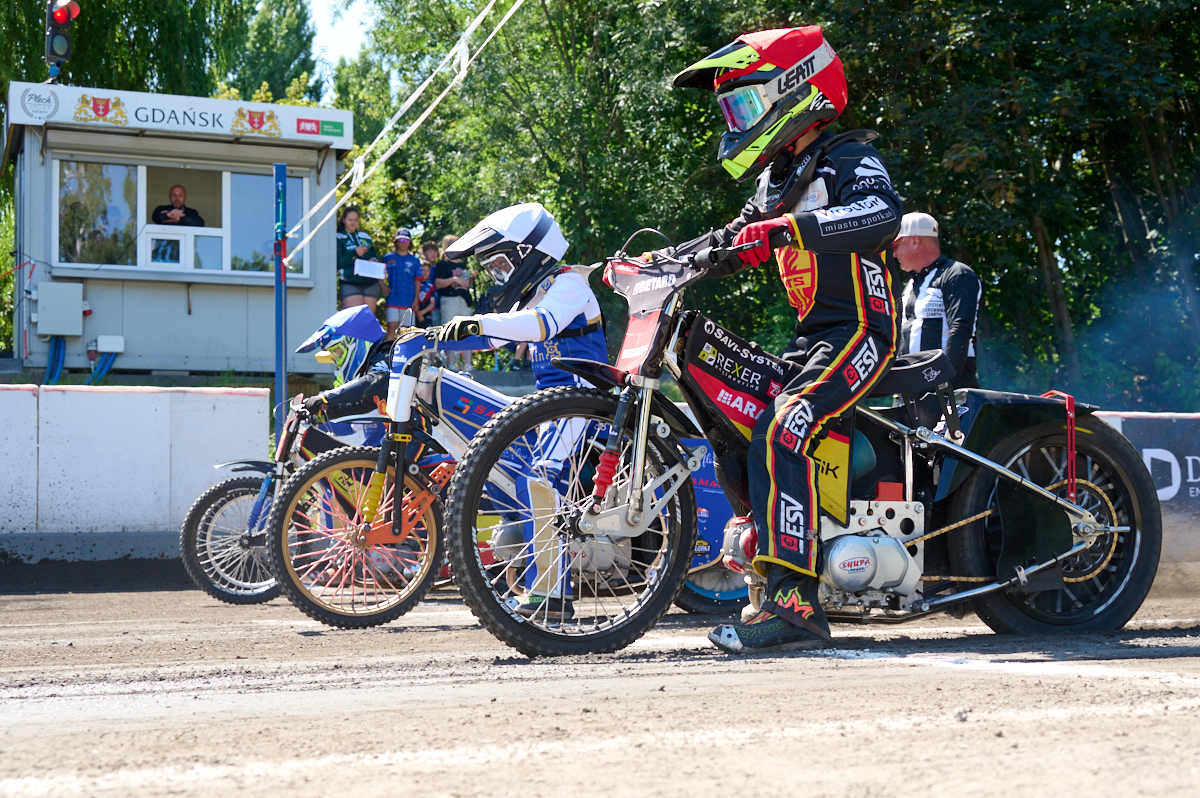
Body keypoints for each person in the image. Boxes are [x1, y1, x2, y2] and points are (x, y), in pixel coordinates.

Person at [672, 26, 903, 654]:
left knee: (785, 427)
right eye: (732, 110)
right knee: (737, 422)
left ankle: (797, 608)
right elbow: (733, 243)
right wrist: (668, 262)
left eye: (744, 104)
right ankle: (766, 579)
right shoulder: (780, 177)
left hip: (861, 331)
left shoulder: (848, 157)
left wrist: (785, 232)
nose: (737, 120)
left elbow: (883, 214)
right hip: (812, 341)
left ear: (795, 89)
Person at [436, 202, 608, 620]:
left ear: (528, 254)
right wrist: (429, 337)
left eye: (499, 265)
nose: (498, 276)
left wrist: (479, 324)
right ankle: (541, 585)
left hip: (581, 397)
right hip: (549, 405)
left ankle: (551, 595)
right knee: (521, 478)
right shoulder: (536, 292)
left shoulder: (568, 285)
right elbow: (491, 338)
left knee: (542, 479)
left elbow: (541, 324)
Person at [894, 212, 981, 388]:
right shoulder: (911, 285)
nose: (893, 253)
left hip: (948, 387)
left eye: (896, 245)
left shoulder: (957, 274)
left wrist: (943, 383)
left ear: (914, 241)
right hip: (913, 387)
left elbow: (960, 330)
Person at [433, 234, 474, 369]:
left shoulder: (463, 264)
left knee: (468, 331)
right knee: (450, 331)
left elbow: (467, 283)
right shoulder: (442, 264)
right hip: (449, 301)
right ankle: (451, 364)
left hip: (465, 300)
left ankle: (468, 364)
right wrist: (454, 280)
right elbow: (438, 283)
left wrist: (472, 277)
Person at [336, 207, 384, 310]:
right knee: (356, 320)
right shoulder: (338, 237)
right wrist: (354, 253)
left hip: (370, 282)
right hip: (350, 282)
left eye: (355, 220)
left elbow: (373, 255)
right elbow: (337, 263)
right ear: (344, 220)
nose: (353, 223)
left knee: (368, 320)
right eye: (350, 220)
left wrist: (373, 261)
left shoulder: (365, 236)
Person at [383, 228, 423, 335]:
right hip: (392, 298)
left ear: (410, 242)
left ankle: (405, 352)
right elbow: (378, 273)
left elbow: (418, 281)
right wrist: (382, 285)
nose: (403, 243)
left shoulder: (415, 260)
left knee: (407, 331)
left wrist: (416, 300)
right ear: (396, 242)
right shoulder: (388, 257)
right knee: (392, 326)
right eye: (400, 240)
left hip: (408, 300)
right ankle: (389, 351)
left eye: (406, 240)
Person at [415, 260, 438, 327]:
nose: (425, 272)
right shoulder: (413, 285)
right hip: (414, 315)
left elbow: (432, 304)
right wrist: (418, 314)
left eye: (427, 270)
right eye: (423, 270)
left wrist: (421, 313)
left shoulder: (430, 287)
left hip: (427, 315)